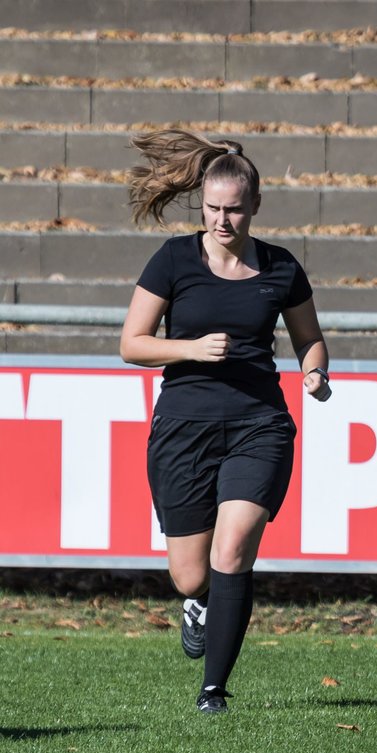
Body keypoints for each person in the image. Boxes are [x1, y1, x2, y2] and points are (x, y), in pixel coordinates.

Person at [120, 129, 331, 714]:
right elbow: (132, 345)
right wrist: (189, 350)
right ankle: (198, 602)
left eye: (234, 209)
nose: (222, 219)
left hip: (258, 425)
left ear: (255, 206)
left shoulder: (281, 268)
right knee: (191, 576)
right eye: (213, 208)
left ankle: (213, 690)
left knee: (234, 546)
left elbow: (310, 342)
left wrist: (315, 374)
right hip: (183, 429)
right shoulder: (172, 260)